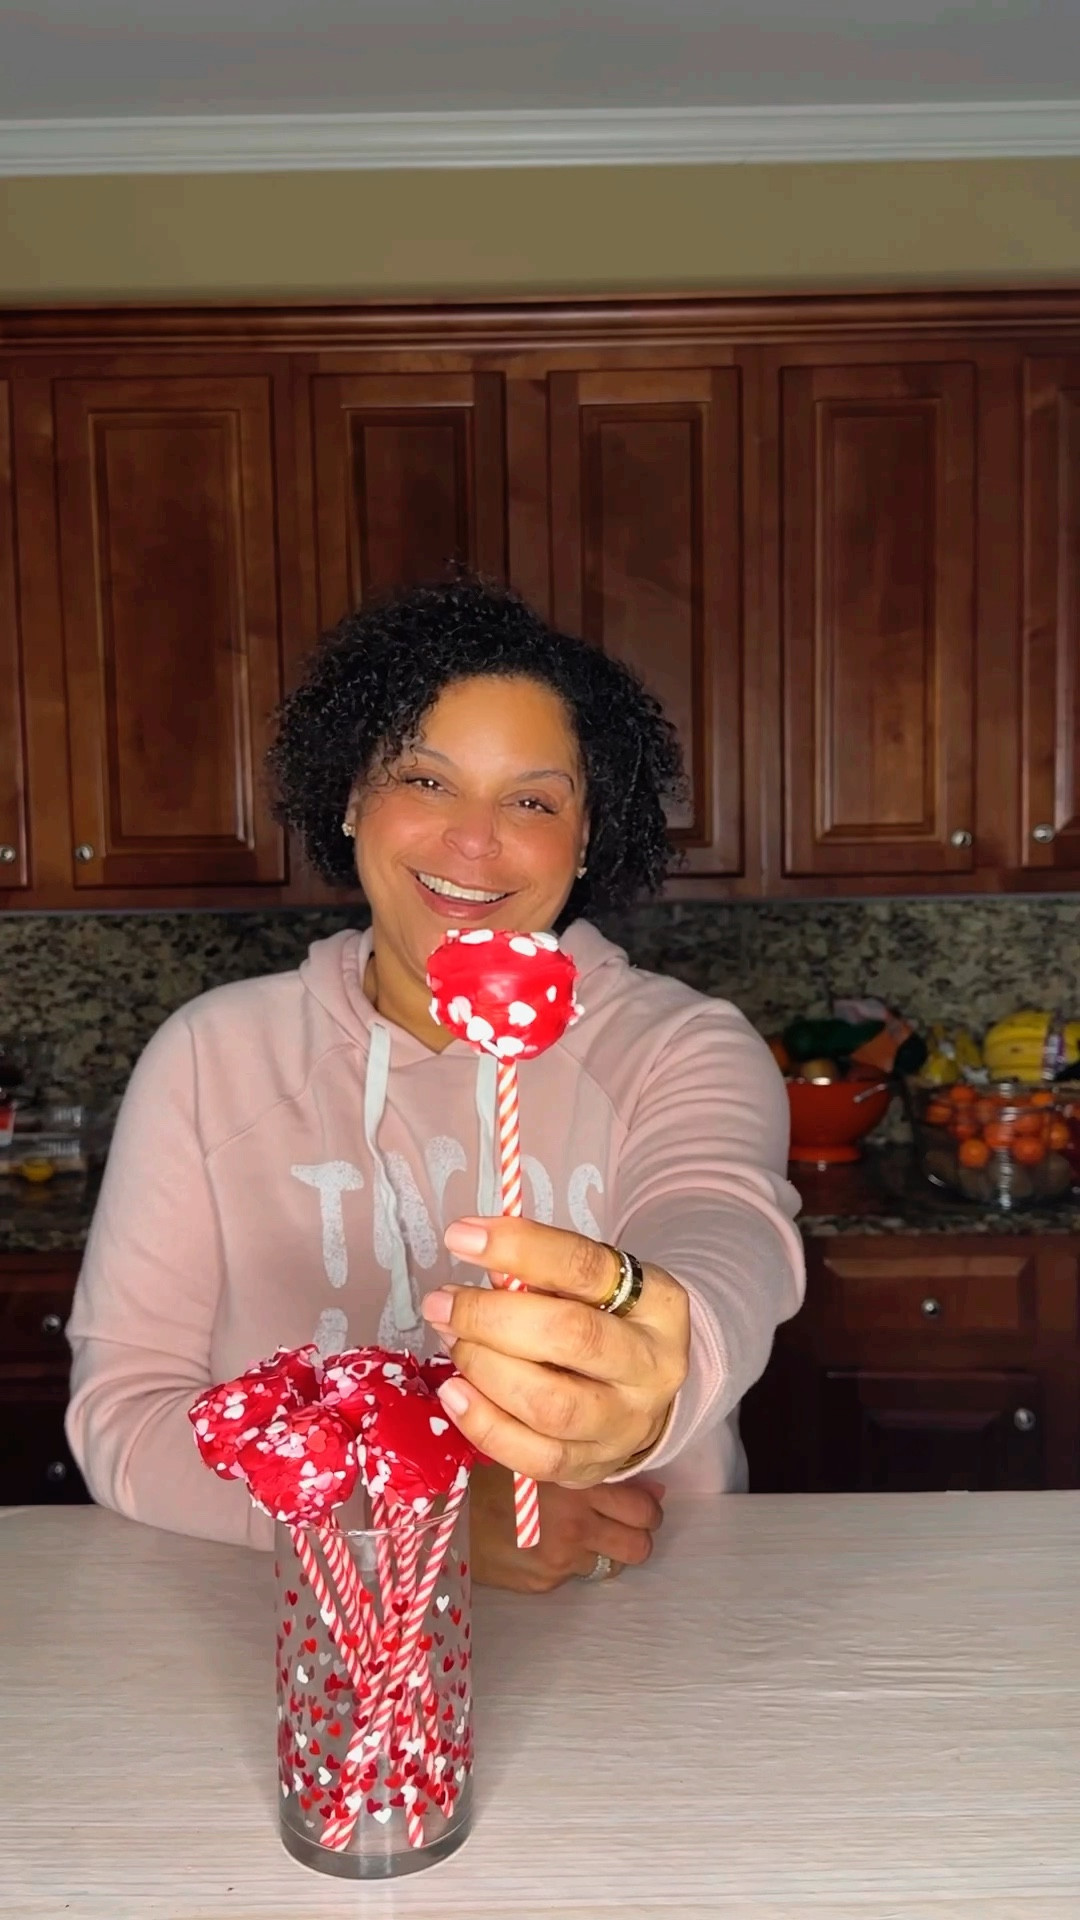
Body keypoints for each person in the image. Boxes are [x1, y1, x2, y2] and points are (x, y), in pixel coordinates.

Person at [65, 576, 804, 1592]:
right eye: (424, 780)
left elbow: (725, 1231)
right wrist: (413, 1519)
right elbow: (124, 1411)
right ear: (352, 798)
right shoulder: (210, 1058)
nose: (474, 838)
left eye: (533, 800)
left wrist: (664, 1356)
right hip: (304, 1651)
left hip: (644, 1632)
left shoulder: (683, 1046)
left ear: (587, 837)